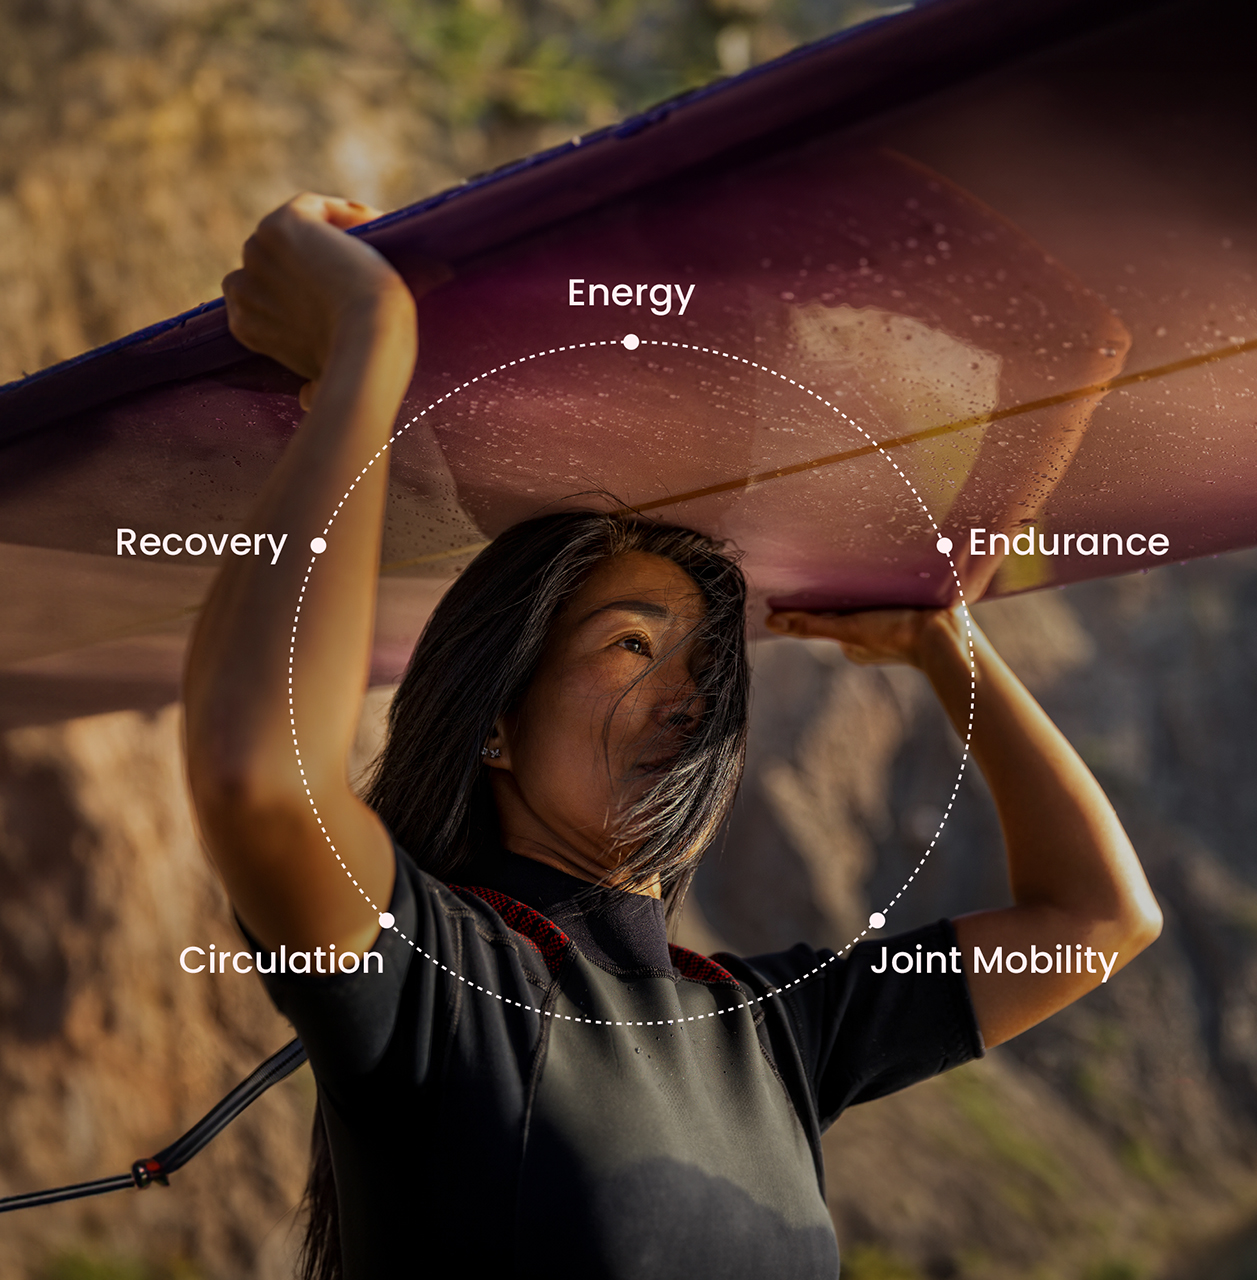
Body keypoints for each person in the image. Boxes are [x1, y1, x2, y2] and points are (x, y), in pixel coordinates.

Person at [183, 194, 1163, 1280]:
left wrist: (943, 641)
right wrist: (368, 350)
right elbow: (259, 777)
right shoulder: (435, 979)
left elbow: (1097, 917)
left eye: (710, 663)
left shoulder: (774, 1029)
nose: (692, 694)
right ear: (495, 720)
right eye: (631, 644)